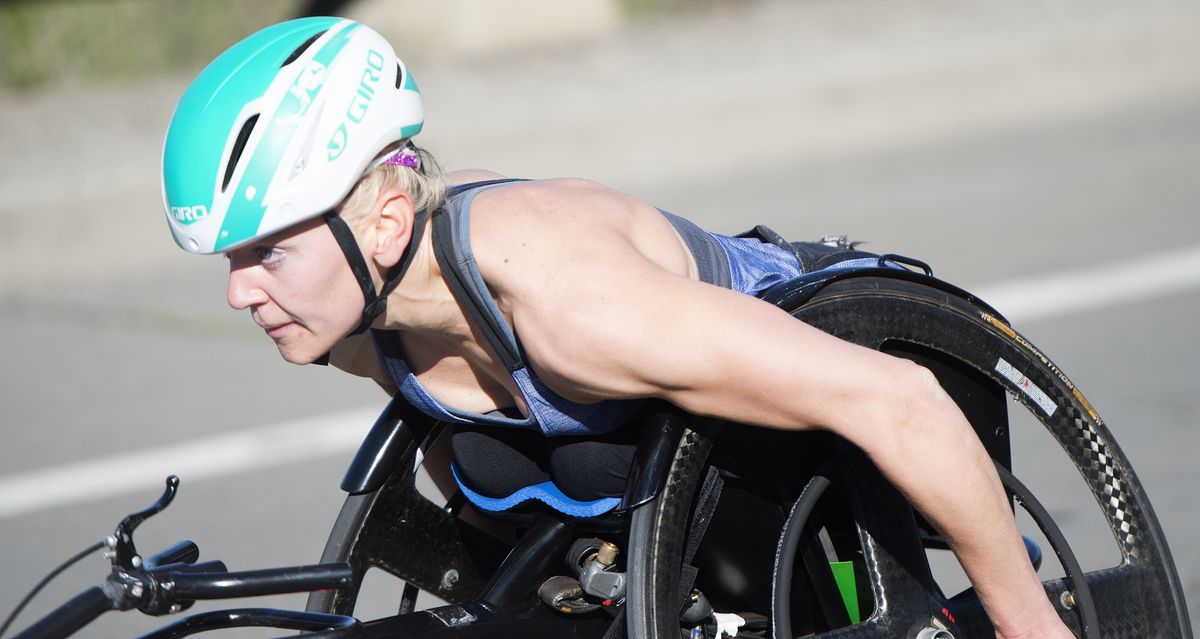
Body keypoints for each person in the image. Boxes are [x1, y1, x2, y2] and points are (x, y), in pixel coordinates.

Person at [161, 17, 1075, 639]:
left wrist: (1027, 622)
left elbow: (899, 400)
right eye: (230, 262)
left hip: (853, 406)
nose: (241, 293)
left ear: (386, 224)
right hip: (667, 516)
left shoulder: (571, 304)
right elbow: (468, 471)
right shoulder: (360, 316)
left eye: (266, 254)